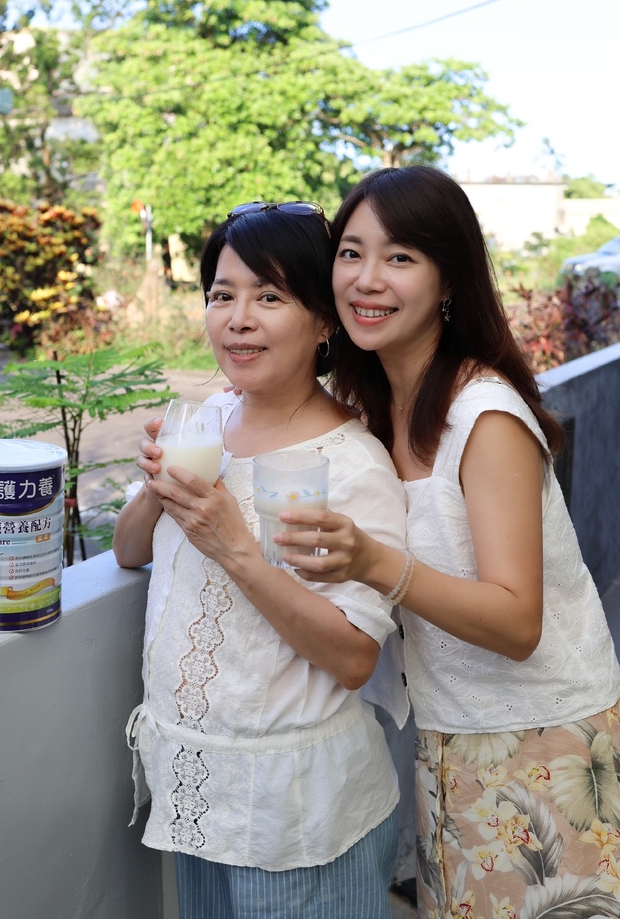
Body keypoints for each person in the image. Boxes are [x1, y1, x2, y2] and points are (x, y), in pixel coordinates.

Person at [274, 166, 620, 919]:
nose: (367, 279)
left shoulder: (484, 417)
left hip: (542, 743)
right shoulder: (368, 410)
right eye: (351, 252)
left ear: (448, 281)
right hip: (447, 742)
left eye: (400, 258)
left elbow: (515, 622)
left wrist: (374, 563)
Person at [113, 200, 408, 919]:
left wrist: (235, 547)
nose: (237, 319)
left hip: (299, 811)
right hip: (198, 788)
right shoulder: (202, 419)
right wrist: (158, 487)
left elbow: (352, 659)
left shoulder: (353, 463)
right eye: (221, 295)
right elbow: (127, 552)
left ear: (323, 321)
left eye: (268, 296)